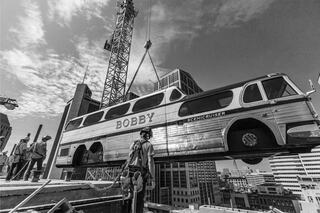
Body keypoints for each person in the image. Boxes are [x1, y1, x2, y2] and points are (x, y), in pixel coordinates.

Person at [126, 127, 155, 213]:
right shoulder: (149, 145)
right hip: (140, 175)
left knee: (130, 196)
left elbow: (129, 159)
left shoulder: (133, 144)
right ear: (148, 135)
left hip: (131, 173)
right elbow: (150, 162)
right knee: (139, 198)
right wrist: (153, 178)